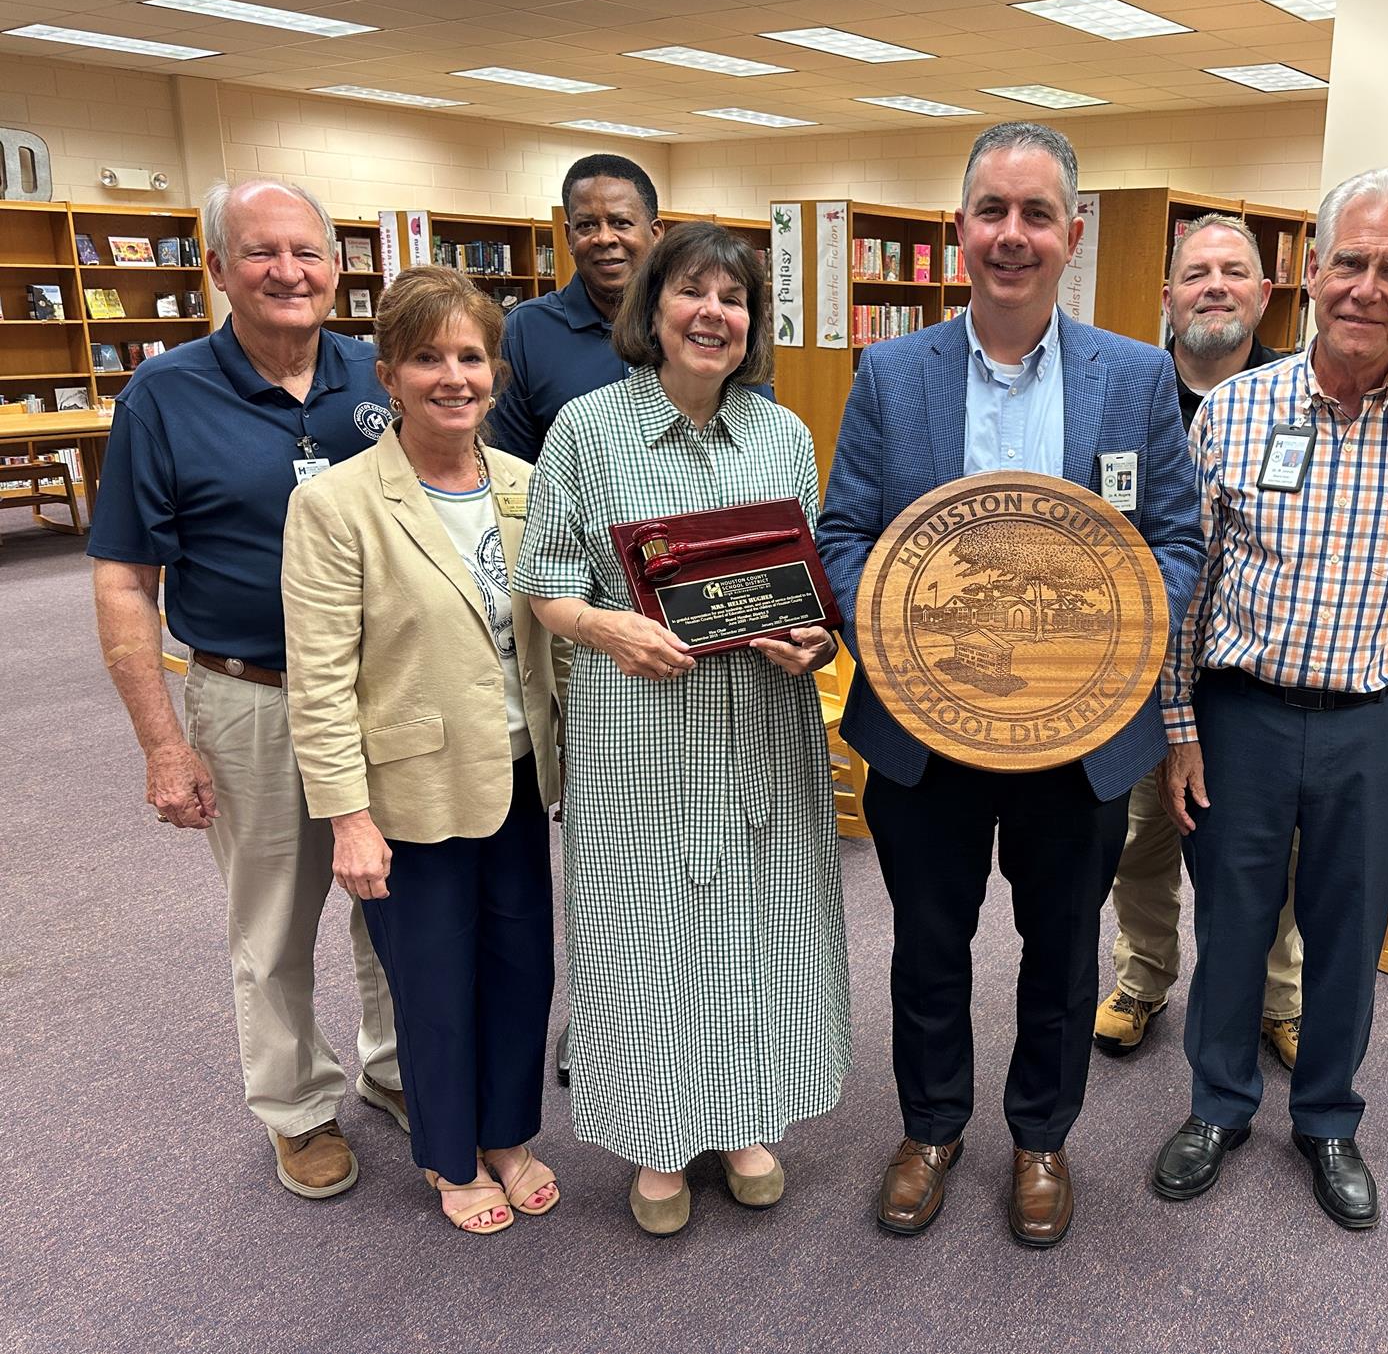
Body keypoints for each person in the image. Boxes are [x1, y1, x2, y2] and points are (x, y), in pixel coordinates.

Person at [817, 122, 1204, 1249]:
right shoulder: (892, 371)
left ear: (1072, 235)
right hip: (922, 728)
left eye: (1037, 214)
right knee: (928, 941)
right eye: (992, 211)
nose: (1013, 235)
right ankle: (930, 1128)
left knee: (1061, 943)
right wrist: (896, 622)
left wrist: (1113, 629)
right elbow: (844, 532)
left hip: (1078, 727)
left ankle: (1041, 1137)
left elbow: (1175, 541)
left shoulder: (1136, 377)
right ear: (958, 231)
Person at [1149, 167, 1388, 1230]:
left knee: (1351, 932)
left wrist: (1375, 626)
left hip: (1377, 722)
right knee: (1234, 921)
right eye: (1347, 261)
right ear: (1309, 273)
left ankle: (1328, 1121)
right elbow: (1190, 583)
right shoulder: (1235, 410)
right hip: (1239, 716)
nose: (1365, 286)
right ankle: (1217, 1105)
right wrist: (1177, 728)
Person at [516, 221, 849, 1238]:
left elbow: (804, 587)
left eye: (735, 299)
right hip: (641, 726)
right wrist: (604, 624)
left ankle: (746, 1120)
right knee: (646, 931)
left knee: (762, 918)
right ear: (651, 310)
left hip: (764, 727)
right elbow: (545, 582)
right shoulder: (586, 428)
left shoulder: (781, 433)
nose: (714, 314)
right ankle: (659, 1138)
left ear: (753, 325)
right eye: (692, 293)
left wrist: (813, 640)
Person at [88, 178, 404, 1199]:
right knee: (272, 921)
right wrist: (160, 744)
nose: (288, 272)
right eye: (261, 253)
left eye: (306, 251)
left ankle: (399, 1068)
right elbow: (126, 579)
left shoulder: (380, 374)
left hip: (381, 692)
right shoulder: (163, 395)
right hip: (250, 693)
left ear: (337, 266)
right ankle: (297, 1108)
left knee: (395, 898)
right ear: (218, 269)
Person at [281, 266, 566, 1235]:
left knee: (523, 965)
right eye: (429, 357)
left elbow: (563, 630)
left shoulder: (529, 487)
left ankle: (509, 1134)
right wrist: (347, 819)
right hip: (409, 789)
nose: (455, 376)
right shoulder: (336, 505)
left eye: (472, 356)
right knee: (436, 980)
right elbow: (318, 681)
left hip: (522, 775)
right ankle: (451, 1158)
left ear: (496, 371)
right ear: (388, 372)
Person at [1093, 213, 1304, 1068]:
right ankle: (1144, 977)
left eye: (1233, 271)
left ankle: (1277, 996)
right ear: (1169, 294)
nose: (1214, 285)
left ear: (1263, 292)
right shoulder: (1123, 396)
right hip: (1139, 676)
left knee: (1268, 851)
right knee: (1140, 844)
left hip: (1252, 679)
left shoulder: (1300, 399)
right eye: (1196, 273)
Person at [489, 152, 775, 466]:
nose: (604, 238)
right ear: (568, 236)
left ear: (655, 233)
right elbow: (510, 467)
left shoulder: (704, 331)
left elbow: (756, 439)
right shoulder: (524, 332)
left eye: (620, 223)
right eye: (586, 226)